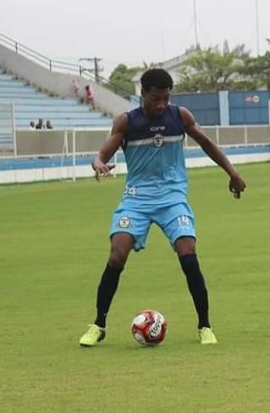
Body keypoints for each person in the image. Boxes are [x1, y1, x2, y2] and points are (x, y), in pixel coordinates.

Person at [78, 68, 246, 347]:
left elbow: (206, 143)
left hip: (171, 197)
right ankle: (98, 324)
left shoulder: (180, 116)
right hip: (136, 200)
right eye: (156, 98)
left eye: (166, 98)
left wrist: (233, 172)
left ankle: (205, 326)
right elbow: (102, 153)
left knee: (187, 252)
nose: (162, 104)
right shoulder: (126, 122)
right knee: (117, 254)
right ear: (143, 93)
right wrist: (98, 164)